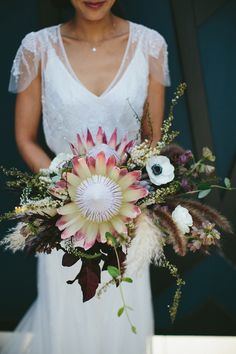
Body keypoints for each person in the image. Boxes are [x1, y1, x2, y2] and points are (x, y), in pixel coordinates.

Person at [1, 1, 170, 353]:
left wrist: (129, 194)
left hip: (127, 217)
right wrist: (63, 191)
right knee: (66, 318)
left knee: (123, 318)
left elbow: (152, 137)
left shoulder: (151, 45)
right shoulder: (38, 48)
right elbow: (24, 137)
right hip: (63, 216)